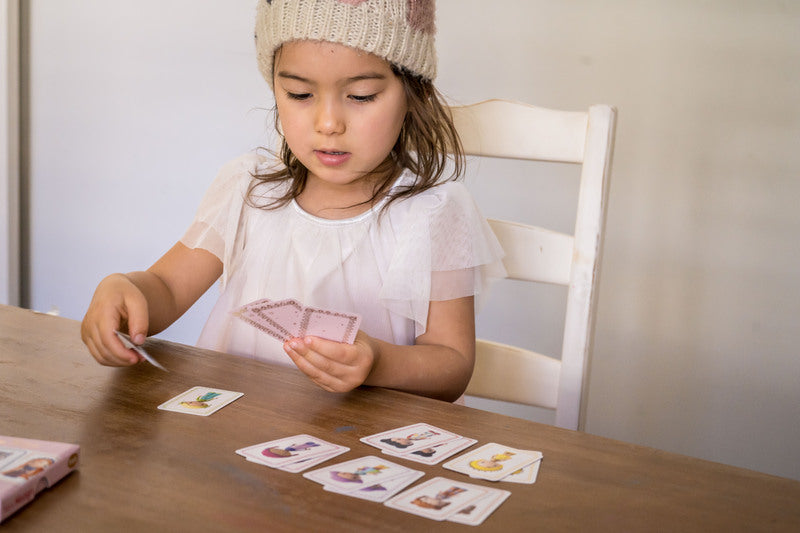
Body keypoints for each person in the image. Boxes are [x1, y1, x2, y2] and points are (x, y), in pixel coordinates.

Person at [81, 0, 505, 402]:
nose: (328, 123)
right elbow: (168, 289)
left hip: (358, 454)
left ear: (414, 94)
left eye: (360, 96)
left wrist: (377, 363)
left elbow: (451, 364)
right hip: (241, 438)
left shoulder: (434, 213)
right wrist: (125, 290)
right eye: (300, 95)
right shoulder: (246, 191)